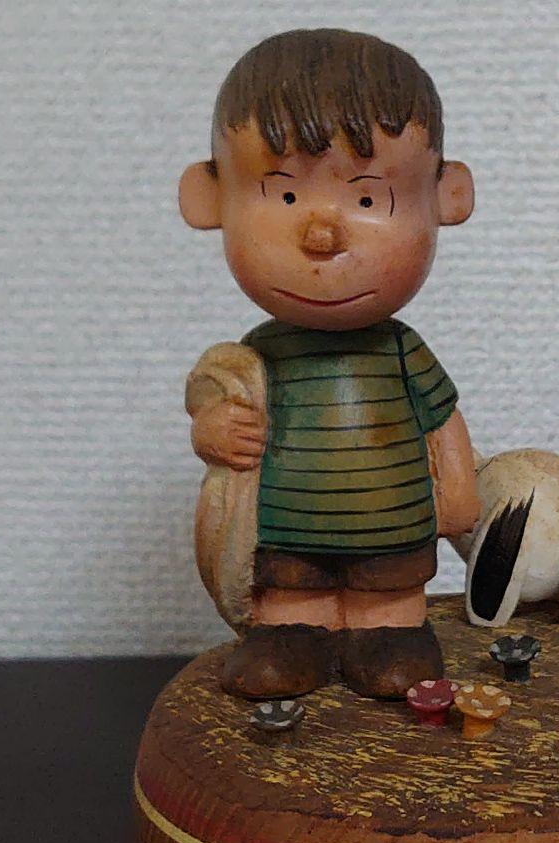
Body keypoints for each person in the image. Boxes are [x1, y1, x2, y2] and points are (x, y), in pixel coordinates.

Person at [178, 29, 479, 699]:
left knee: (389, 600)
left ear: (448, 196)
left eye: (368, 199)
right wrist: (214, 432)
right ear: (208, 197)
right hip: (288, 533)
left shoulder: (401, 352)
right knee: (291, 592)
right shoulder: (255, 359)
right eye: (284, 195)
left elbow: (441, 419)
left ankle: (389, 634)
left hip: (393, 529)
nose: (321, 234)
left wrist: (458, 492)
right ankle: (292, 635)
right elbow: (216, 401)